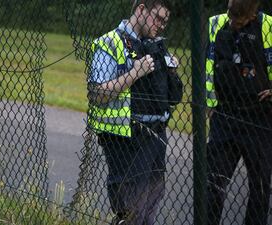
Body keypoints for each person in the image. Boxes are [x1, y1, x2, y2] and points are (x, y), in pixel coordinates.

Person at [87, 0, 182, 224]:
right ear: (140, 9)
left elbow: (173, 98)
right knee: (131, 211)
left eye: (165, 21)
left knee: (149, 206)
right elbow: (97, 93)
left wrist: (172, 74)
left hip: (158, 134)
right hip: (126, 138)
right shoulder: (109, 43)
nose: (161, 25)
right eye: (158, 18)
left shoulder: (157, 46)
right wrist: (134, 73)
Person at [205, 0, 272, 224]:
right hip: (224, 115)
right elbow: (207, 66)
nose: (233, 22)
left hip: (259, 118)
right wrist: (209, 104)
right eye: (230, 15)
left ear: (253, 14)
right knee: (213, 184)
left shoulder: (268, 27)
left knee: (260, 187)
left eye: (239, 19)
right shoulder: (216, 24)